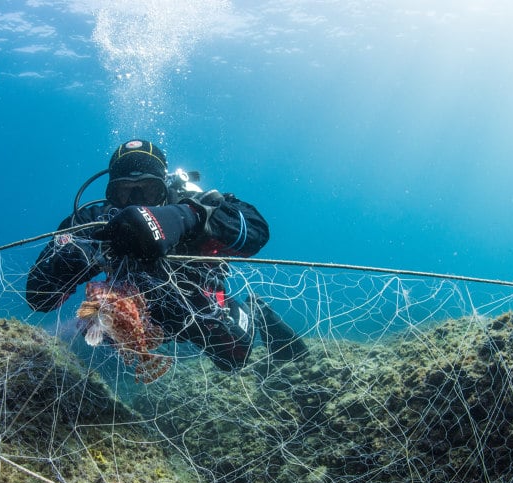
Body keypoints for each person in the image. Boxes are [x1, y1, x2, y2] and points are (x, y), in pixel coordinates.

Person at [25, 139, 306, 372]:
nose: (136, 200)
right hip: (130, 310)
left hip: (194, 301)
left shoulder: (194, 203)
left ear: (164, 186)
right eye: (124, 192)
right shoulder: (96, 220)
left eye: (148, 189)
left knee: (234, 357)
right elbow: (39, 296)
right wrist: (80, 254)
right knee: (108, 342)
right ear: (111, 193)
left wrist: (187, 217)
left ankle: (255, 309)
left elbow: (255, 231)